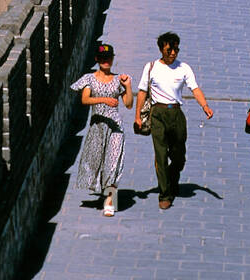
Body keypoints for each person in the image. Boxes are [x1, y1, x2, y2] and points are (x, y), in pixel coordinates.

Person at [134, 32, 213, 210]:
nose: (173, 53)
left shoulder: (184, 68)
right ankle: (165, 193)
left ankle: (171, 176)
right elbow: (141, 92)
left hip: (176, 114)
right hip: (157, 114)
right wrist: (138, 116)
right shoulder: (151, 67)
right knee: (161, 155)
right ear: (162, 49)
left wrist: (205, 106)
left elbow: (195, 88)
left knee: (179, 156)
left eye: (176, 49)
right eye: (169, 49)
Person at [70, 42, 133, 216]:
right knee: (95, 161)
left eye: (109, 58)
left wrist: (127, 86)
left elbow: (128, 104)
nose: (106, 61)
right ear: (97, 59)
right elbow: (85, 99)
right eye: (103, 58)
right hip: (97, 127)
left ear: (112, 59)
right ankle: (102, 192)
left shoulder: (118, 79)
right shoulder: (89, 78)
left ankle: (109, 202)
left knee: (113, 163)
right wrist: (104, 100)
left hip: (115, 128)